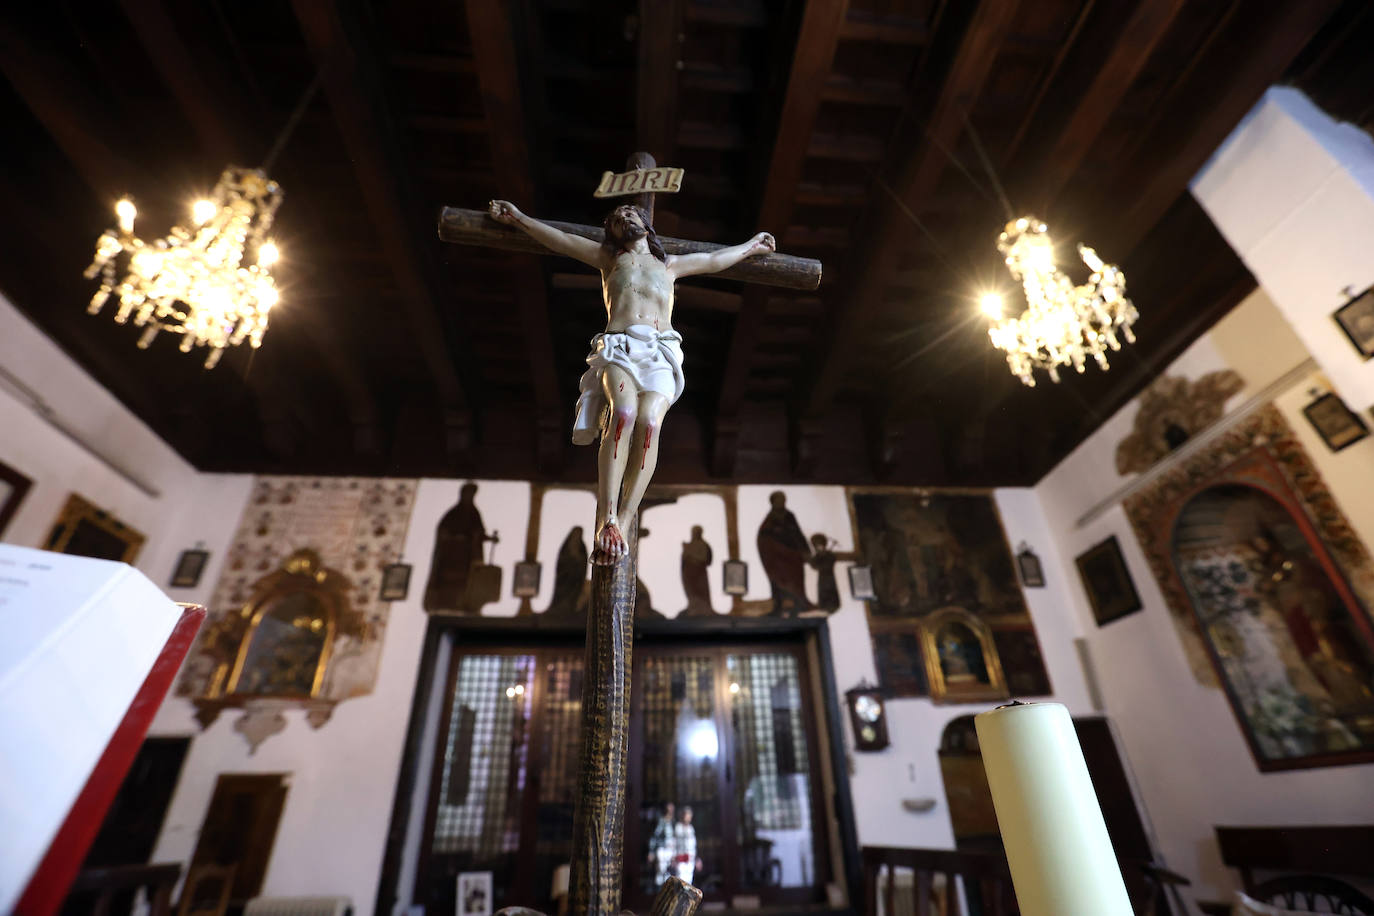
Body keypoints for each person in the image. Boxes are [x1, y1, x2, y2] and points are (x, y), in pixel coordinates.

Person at [489, 199, 774, 565]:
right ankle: (606, 516)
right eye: (618, 217)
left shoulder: (669, 265)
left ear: (645, 224)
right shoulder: (609, 260)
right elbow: (560, 239)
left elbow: (714, 260)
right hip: (619, 349)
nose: (625, 217)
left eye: (630, 213)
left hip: (660, 353)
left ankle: (622, 520)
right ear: (613, 233)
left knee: (650, 422)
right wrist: (518, 218)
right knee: (623, 413)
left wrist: (753, 245)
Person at [424, 482, 497, 612]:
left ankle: (464, 605)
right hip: (451, 556)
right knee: (449, 581)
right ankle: (444, 605)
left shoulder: (474, 513)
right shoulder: (452, 513)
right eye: (468, 493)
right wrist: (456, 537)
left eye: (472, 494)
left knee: (466, 582)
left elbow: (479, 533)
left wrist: (489, 538)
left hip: (467, 558)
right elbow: (443, 531)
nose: (470, 497)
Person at [757, 491, 811, 615]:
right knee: (779, 581)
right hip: (778, 558)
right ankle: (780, 606)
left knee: (796, 581)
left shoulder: (790, 516)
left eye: (783, 500)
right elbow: (763, 536)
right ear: (773, 502)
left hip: (793, 556)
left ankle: (798, 605)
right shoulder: (770, 518)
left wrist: (806, 550)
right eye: (778, 500)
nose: (781, 502)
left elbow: (798, 533)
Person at [681, 525, 714, 616]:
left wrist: (690, 552)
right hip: (688, 573)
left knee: (700, 591)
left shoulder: (703, 545)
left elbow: (704, 558)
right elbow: (684, 559)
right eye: (694, 532)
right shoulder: (689, 545)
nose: (695, 534)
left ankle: (702, 609)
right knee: (691, 591)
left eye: (697, 532)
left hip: (699, 573)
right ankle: (693, 607)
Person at [649, 802, 676, 884]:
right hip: (663, 849)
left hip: (671, 850)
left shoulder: (674, 822)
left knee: (670, 871)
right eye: (668, 810)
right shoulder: (661, 821)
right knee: (661, 870)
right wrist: (651, 851)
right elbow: (655, 836)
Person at [673, 805, 701, 885]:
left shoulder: (691, 828)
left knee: (689, 883)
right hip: (681, 860)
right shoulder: (678, 827)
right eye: (687, 816)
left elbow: (693, 845)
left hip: (690, 860)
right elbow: (675, 844)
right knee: (681, 883)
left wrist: (696, 859)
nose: (689, 818)